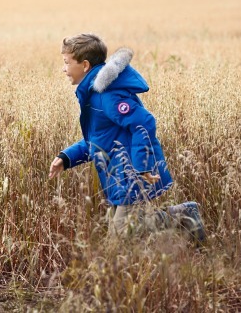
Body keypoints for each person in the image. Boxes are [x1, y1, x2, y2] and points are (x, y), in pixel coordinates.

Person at [48, 33, 205, 244]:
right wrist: (67, 157)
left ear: (84, 65)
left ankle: (185, 215)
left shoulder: (107, 96)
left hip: (132, 172)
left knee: (120, 234)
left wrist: (143, 166)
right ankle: (177, 226)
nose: (63, 68)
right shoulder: (94, 95)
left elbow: (144, 123)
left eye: (66, 63)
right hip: (118, 176)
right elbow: (100, 140)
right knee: (122, 235)